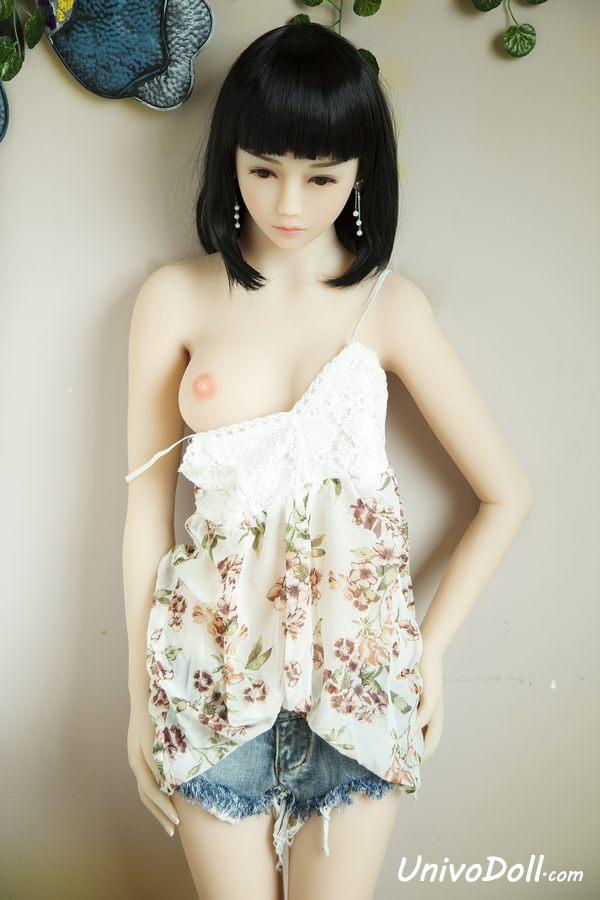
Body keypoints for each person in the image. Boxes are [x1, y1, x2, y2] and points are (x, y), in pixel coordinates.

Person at [122, 22, 533, 900]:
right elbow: (144, 515)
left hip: (360, 681)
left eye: (321, 176)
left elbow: (506, 495)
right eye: (263, 169)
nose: (289, 203)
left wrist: (428, 653)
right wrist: (136, 695)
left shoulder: (391, 307)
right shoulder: (174, 298)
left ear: (360, 174)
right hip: (207, 671)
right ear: (230, 160)